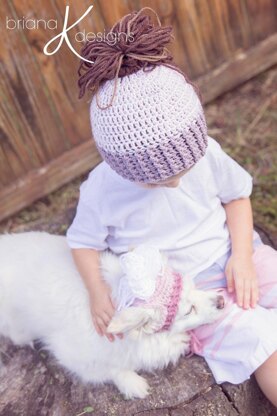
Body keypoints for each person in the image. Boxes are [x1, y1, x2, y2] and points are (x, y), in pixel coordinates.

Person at [66, 7, 277, 407]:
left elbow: (236, 196)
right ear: (121, 166)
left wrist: (245, 256)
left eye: (185, 167)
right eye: (159, 179)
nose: (176, 181)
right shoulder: (102, 191)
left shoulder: (207, 154)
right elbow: (81, 242)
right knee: (260, 341)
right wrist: (97, 292)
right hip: (187, 293)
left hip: (233, 254)